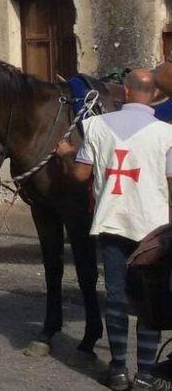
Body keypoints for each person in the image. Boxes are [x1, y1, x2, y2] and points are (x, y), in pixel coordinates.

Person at [58, 69, 172, 391]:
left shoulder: (95, 126)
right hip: (152, 231)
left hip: (111, 224)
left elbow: (81, 177)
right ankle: (146, 373)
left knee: (117, 297)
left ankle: (119, 369)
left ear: (124, 91)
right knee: (151, 300)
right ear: (153, 96)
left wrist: (67, 155)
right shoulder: (166, 134)